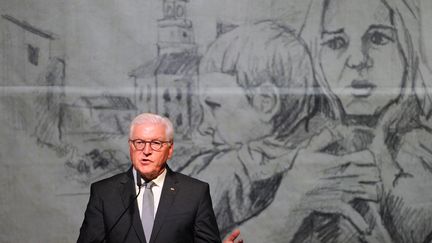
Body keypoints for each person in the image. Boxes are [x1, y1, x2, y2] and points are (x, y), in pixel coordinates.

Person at [239, 0, 432, 242]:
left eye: (378, 38)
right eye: (336, 42)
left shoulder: (425, 153)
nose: (357, 60)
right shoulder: (269, 160)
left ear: (408, 47)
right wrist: (283, 211)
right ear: (315, 55)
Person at [180, 20, 316, 237]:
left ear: (266, 103)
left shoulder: (220, 174)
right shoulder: (209, 168)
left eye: (214, 106)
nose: (204, 126)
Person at [77, 112, 243, 243]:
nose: (146, 150)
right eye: (139, 142)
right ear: (130, 147)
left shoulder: (195, 193)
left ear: (169, 150)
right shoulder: (104, 192)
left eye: (156, 143)